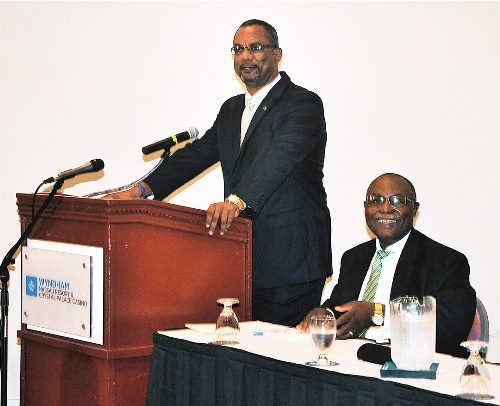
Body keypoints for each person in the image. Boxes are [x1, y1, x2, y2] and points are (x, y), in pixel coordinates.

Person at [105, 19, 332, 326]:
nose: (245, 56)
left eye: (255, 47)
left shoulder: (302, 104)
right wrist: (141, 190)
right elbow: (197, 154)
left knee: (280, 362)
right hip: (241, 258)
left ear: (277, 54)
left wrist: (237, 201)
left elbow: (278, 159)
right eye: (238, 49)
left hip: (291, 262)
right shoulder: (231, 109)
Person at [297, 173, 476, 357]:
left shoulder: (446, 261)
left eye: (397, 200)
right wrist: (324, 313)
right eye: (376, 200)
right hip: (349, 361)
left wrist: (378, 313)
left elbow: (452, 327)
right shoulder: (354, 257)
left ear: (415, 209)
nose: (385, 208)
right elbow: (340, 307)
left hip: (405, 369)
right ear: (366, 208)